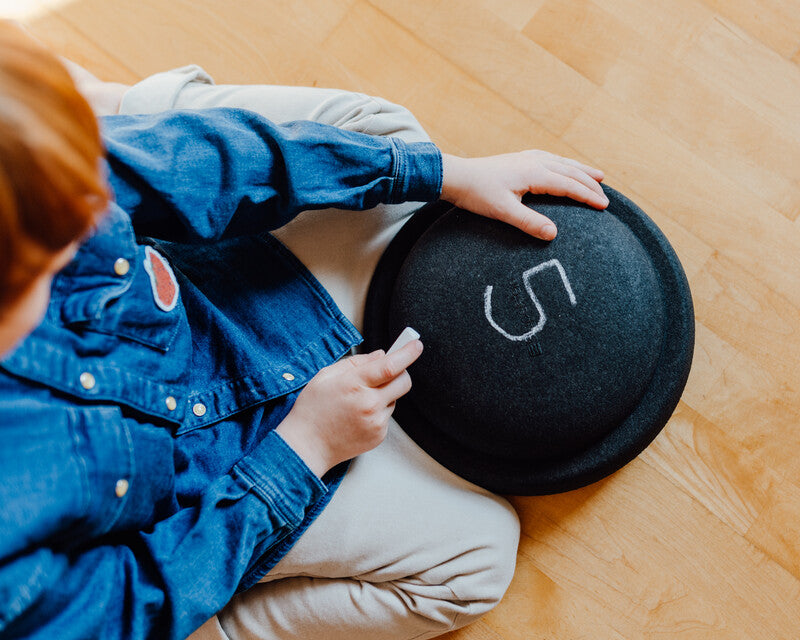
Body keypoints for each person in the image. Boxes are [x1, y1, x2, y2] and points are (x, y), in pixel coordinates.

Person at [0, 21, 608, 640]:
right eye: (58, 248)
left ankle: (116, 105)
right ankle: (215, 626)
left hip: (222, 294)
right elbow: (132, 604)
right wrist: (302, 453)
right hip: (207, 487)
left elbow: (192, 163)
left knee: (386, 136)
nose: (92, 218)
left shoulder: (39, 181)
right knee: (477, 559)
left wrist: (441, 173)